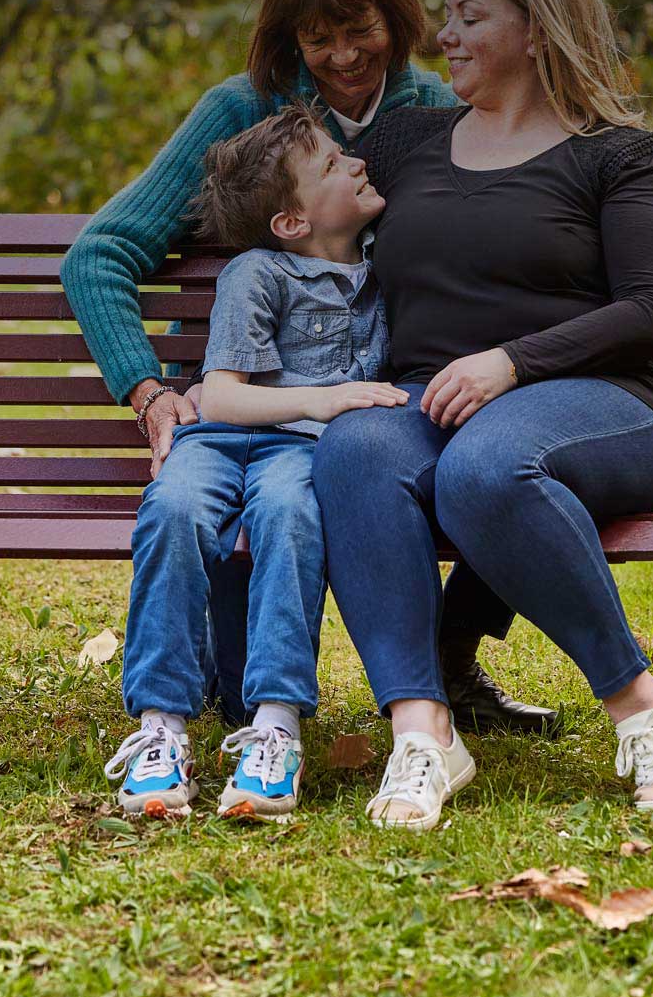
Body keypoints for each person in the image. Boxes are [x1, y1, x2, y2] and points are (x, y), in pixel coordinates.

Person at [61, 0, 556, 734]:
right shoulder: (244, 116)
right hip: (272, 418)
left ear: (394, 17)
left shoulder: (439, 107)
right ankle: (222, 694)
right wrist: (150, 393)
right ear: (288, 37)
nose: (344, 55)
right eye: (317, 37)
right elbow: (100, 252)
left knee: (505, 444)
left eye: (359, 28)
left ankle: (452, 655)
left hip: (410, 386)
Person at [314, 0, 653, 832]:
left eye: (469, 15)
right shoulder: (408, 141)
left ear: (536, 29)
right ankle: (424, 731)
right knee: (356, 447)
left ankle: (642, 704)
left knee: (485, 466)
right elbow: (290, 175)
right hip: (429, 400)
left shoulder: (617, 156)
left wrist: (512, 362)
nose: (443, 33)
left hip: (604, 404)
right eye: (445, 14)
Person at [100, 107, 408, 818]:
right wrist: (328, 399)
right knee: (173, 513)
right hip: (218, 441)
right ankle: (160, 729)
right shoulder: (258, 272)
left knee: (293, 517)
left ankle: (275, 726)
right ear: (292, 223)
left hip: (297, 456)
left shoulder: (383, 273)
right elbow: (228, 401)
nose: (357, 163)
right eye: (333, 164)